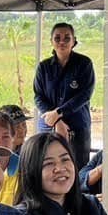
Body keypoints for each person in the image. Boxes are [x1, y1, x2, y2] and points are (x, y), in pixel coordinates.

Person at [33, 22, 96, 170]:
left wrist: (59, 113)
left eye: (67, 38)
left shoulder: (84, 63)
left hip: (77, 126)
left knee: (77, 169)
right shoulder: (44, 67)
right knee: (47, 167)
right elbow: (38, 96)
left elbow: (84, 95)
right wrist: (55, 120)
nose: (62, 42)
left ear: (74, 41)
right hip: (48, 125)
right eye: (57, 38)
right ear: (51, 41)